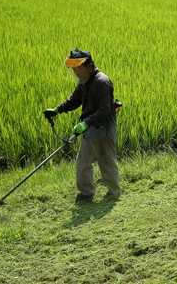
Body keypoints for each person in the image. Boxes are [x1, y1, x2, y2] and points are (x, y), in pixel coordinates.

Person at [43, 49, 120, 201]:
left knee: (106, 163)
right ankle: (86, 193)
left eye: (78, 69)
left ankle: (114, 193)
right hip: (89, 128)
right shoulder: (85, 82)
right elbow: (74, 100)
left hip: (102, 128)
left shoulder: (102, 82)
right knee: (83, 164)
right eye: (74, 70)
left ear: (88, 66)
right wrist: (57, 110)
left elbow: (104, 110)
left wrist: (86, 123)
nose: (76, 74)